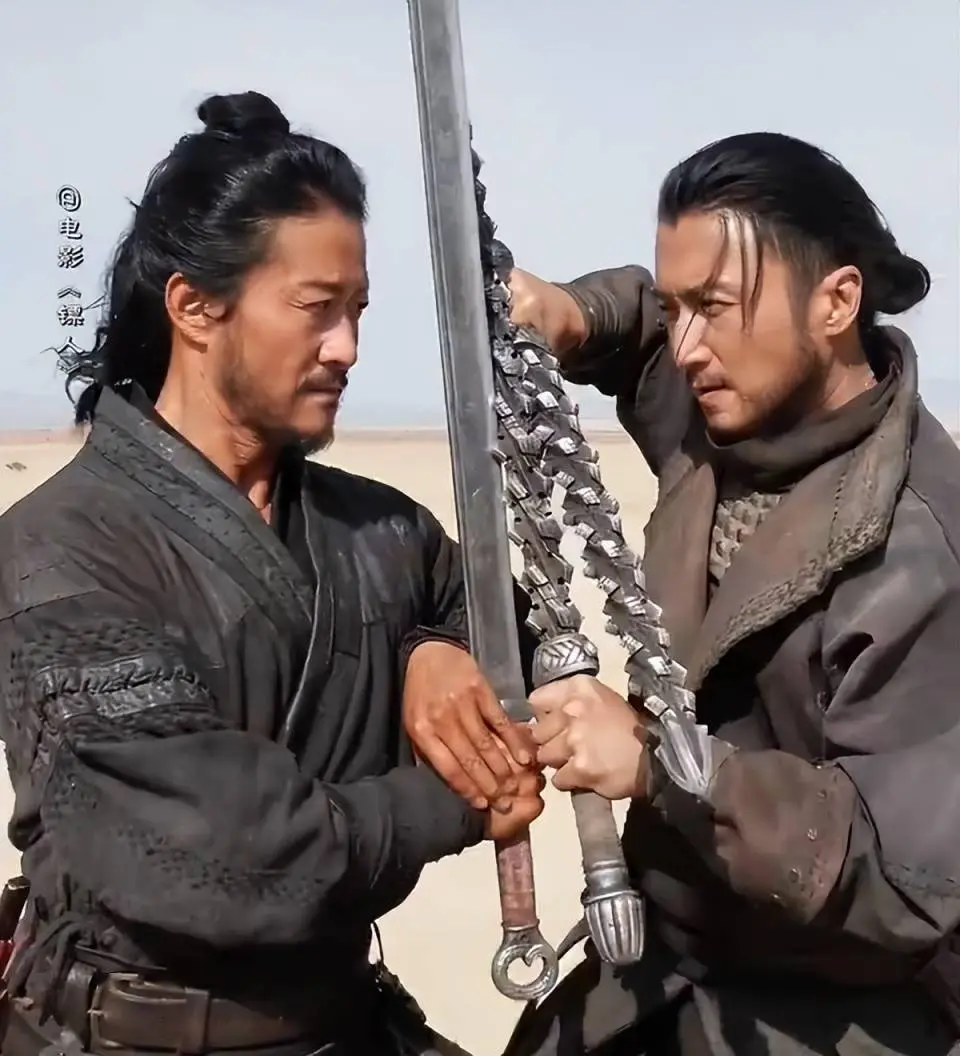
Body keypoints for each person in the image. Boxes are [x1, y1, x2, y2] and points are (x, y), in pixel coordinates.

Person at [0, 91, 545, 1056]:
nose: (348, 348)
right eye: (315, 309)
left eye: (357, 310)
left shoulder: (381, 530)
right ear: (194, 308)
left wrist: (434, 647)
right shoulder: (59, 552)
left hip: (343, 1022)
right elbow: (229, 855)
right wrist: (460, 796)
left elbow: (512, 633)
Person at [499, 132, 960, 1055]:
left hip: (835, 1007)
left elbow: (899, 871)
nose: (688, 347)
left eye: (713, 308)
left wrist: (661, 765)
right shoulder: (732, 404)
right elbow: (639, 326)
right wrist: (569, 314)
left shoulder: (917, 549)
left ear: (836, 302)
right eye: (681, 309)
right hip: (670, 963)